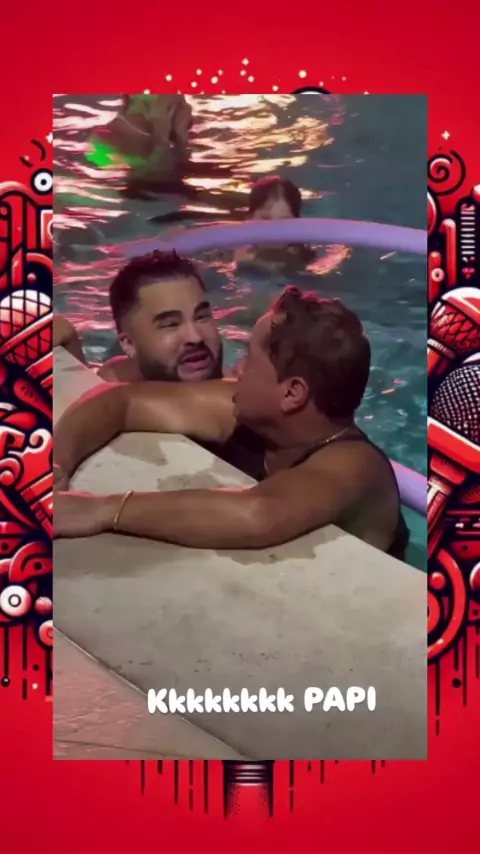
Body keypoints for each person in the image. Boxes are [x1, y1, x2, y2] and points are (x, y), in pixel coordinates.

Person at [53, 286, 409, 559]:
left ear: (292, 393)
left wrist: (104, 509)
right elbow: (123, 401)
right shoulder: (243, 409)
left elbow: (258, 514)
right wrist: (58, 462)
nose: (237, 369)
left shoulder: (353, 466)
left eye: (250, 361)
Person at [54, 252, 224, 383]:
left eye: (202, 317)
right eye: (171, 324)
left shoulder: (236, 388)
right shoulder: (116, 377)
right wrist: (70, 341)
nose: (196, 337)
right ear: (129, 344)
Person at [235, 175, 315, 268]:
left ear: (297, 225)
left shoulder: (303, 255)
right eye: (266, 219)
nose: (274, 230)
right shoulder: (232, 249)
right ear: (249, 219)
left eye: (284, 221)